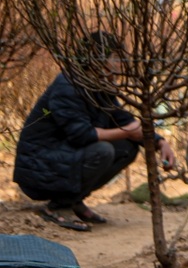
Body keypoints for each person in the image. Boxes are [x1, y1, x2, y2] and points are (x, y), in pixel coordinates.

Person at [12, 31, 175, 232]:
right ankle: (60, 205)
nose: (119, 64)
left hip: (62, 159)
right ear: (95, 58)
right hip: (39, 165)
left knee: (127, 148)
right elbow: (81, 135)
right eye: (114, 57)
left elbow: (123, 120)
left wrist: (161, 143)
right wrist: (126, 131)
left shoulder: (100, 86)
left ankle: (74, 199)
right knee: (103, 150)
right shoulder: (69, 85)